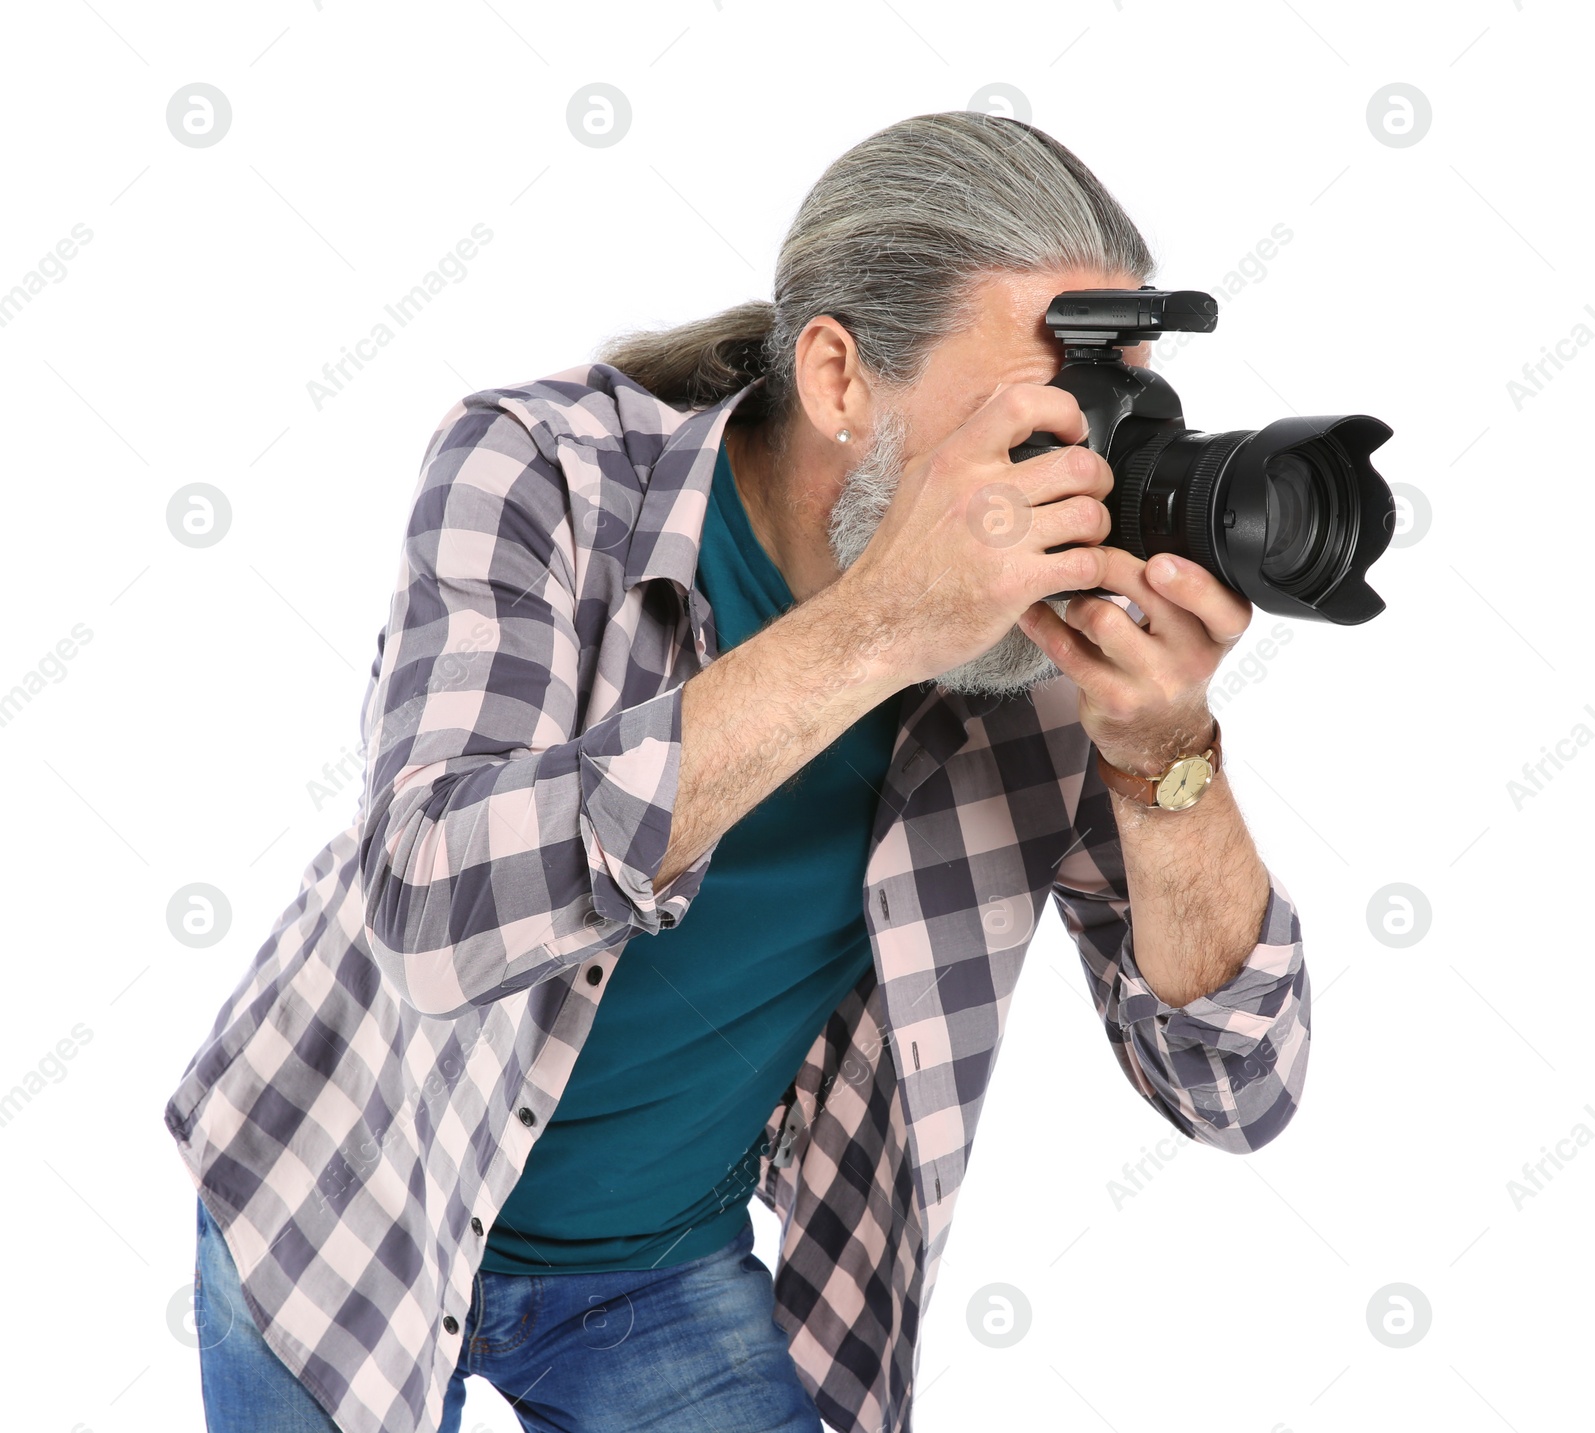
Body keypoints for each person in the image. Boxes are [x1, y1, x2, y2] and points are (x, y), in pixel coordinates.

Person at [165, 110, 1310, 1433]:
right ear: (838, 378)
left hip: (652, 1266)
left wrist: (1163, 749)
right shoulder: (543, 471)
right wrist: (880, 626)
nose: (1082, 478)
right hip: (344, 1192)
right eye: (1039, 418)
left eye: (1117, 416)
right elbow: (433, 902)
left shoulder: (1039, 647)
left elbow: (1236, 1089)